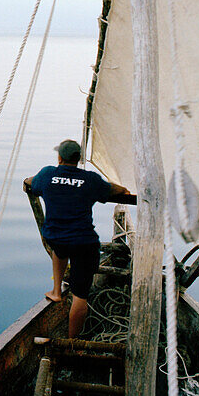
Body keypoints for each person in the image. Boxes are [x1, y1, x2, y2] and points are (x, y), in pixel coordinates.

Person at [24, 139, 129, 338]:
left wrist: (28, 181)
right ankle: (73, 340)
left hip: (56, 237)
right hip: (83, 243)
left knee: (59, 248)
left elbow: (32, 181)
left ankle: (56, 291)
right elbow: (112, 189)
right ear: (79, 159)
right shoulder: (90, 180)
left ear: (59, 158)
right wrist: (123, 190)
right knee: (80, 295)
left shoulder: (47, 175)